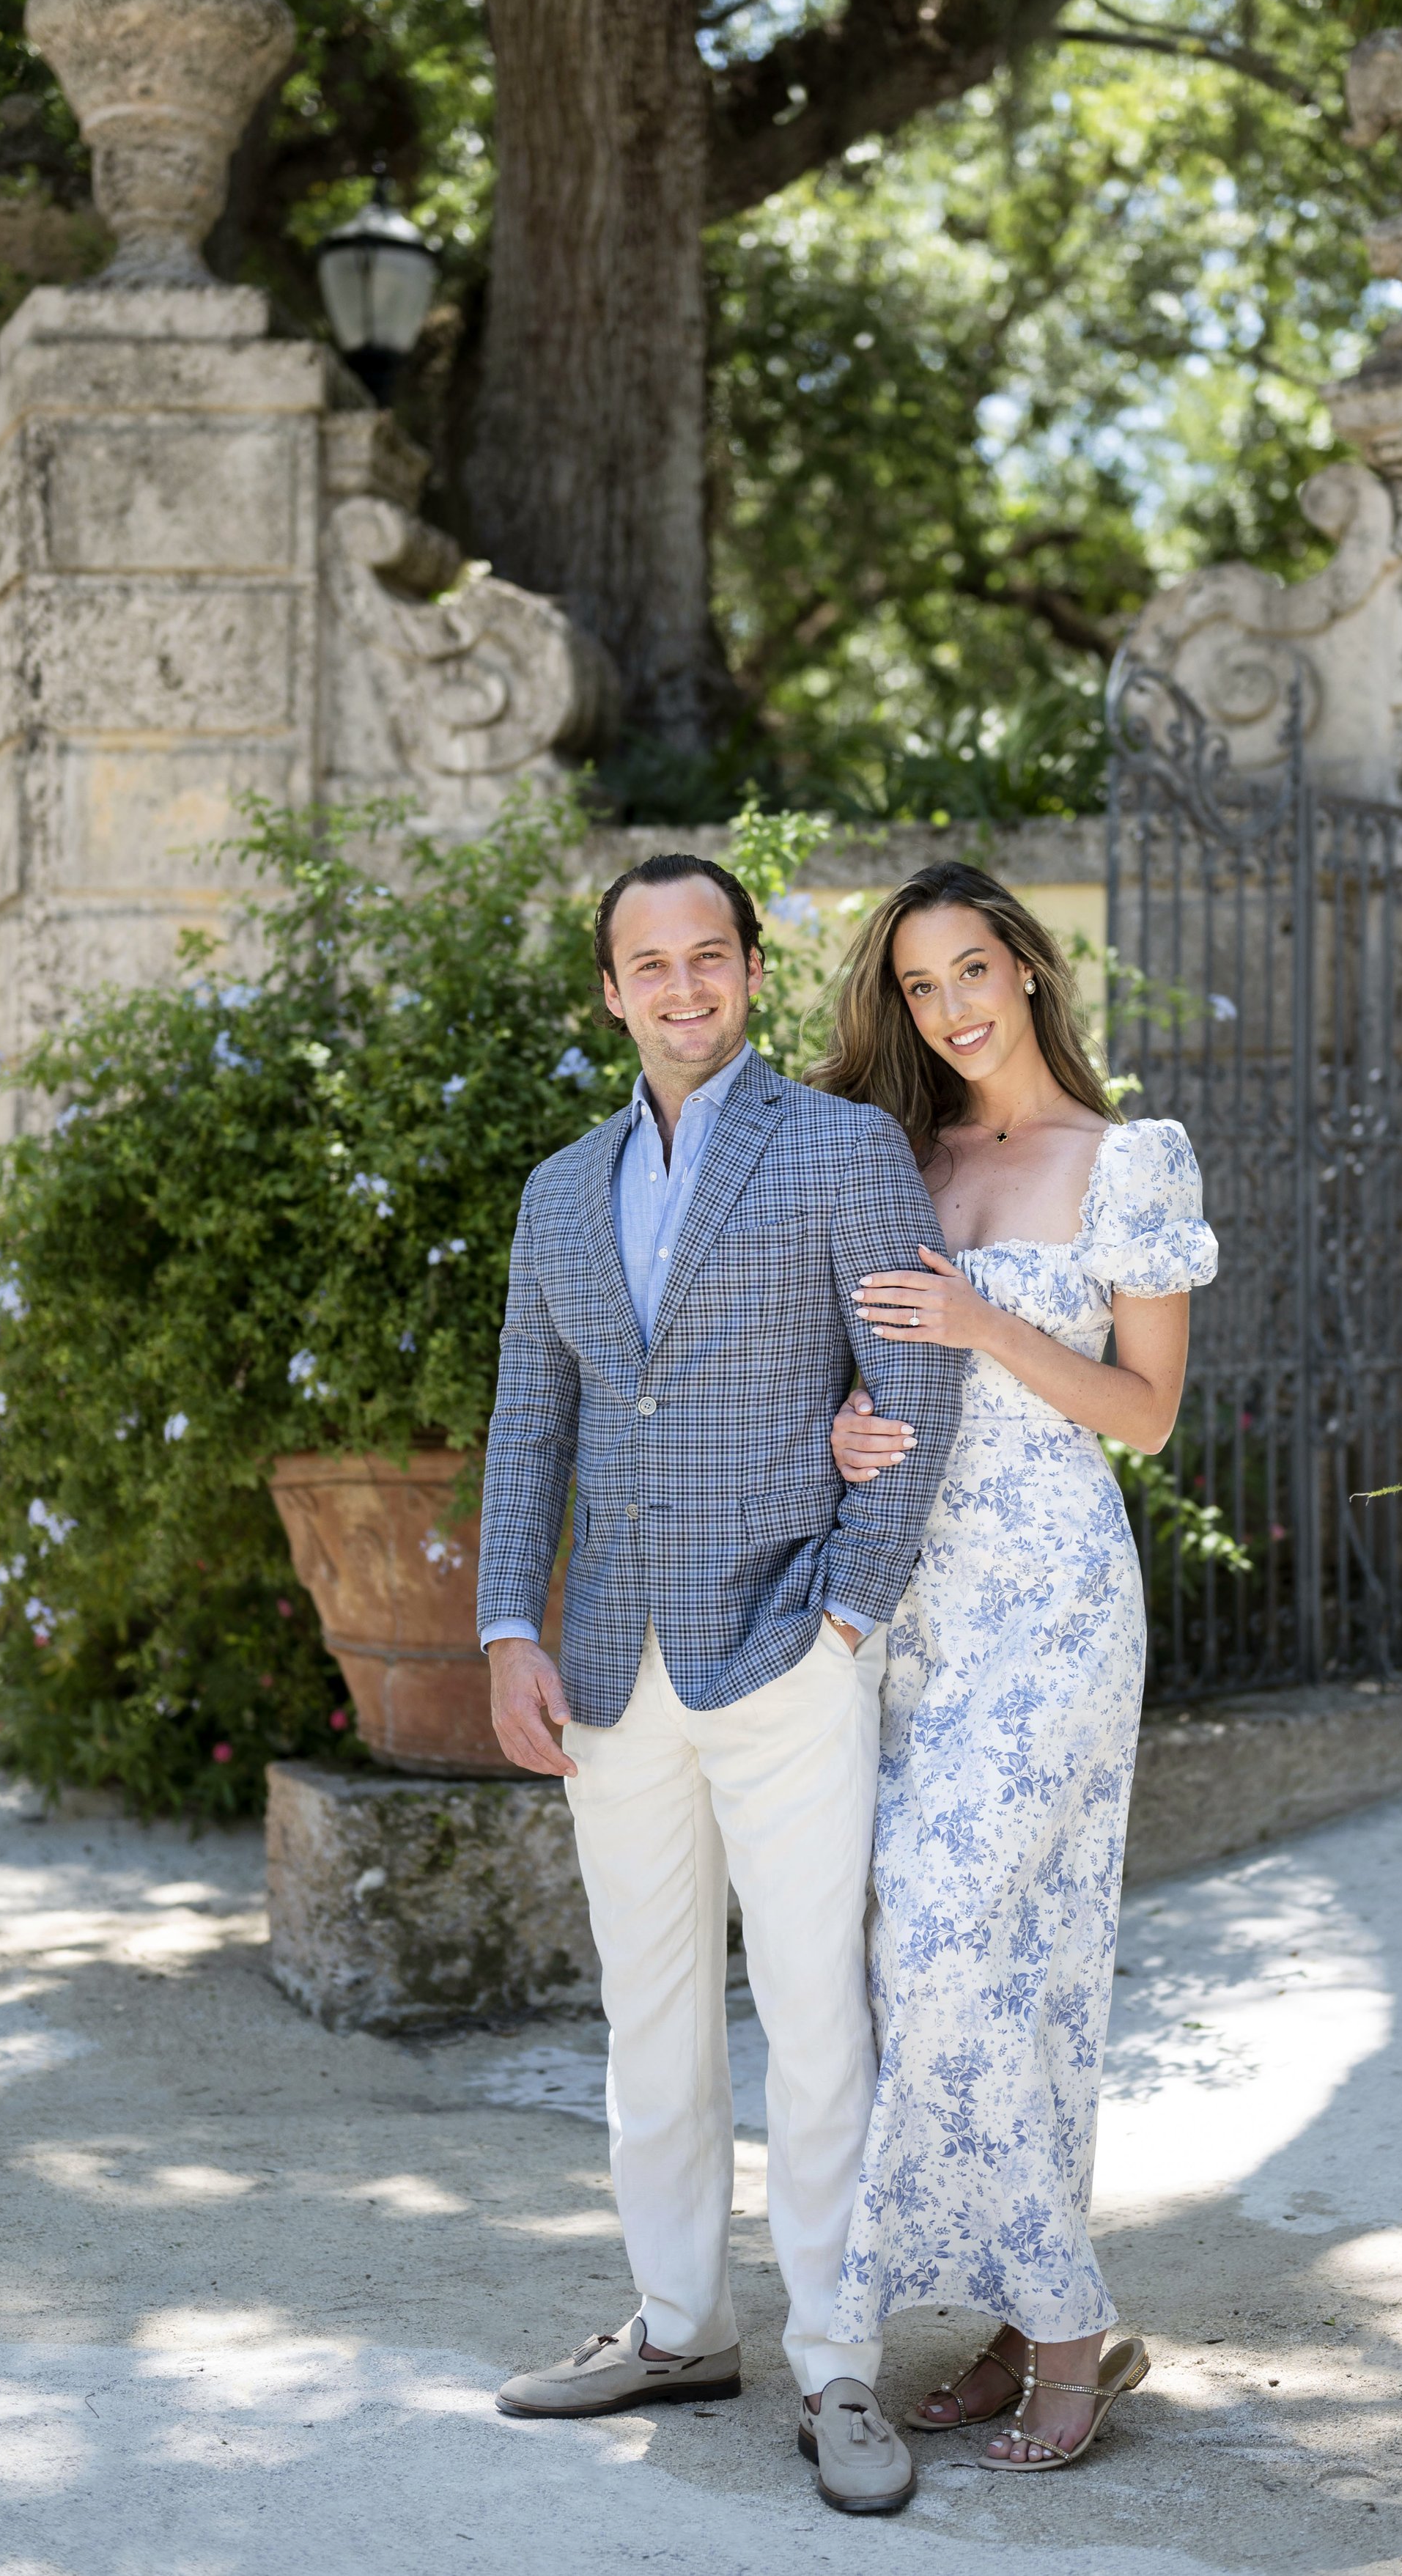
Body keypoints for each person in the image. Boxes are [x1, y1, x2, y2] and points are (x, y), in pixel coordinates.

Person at [477, 852, 964, 2517]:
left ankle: (835, 2359)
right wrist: (503, 1630)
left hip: (783, 1653)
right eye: (646, 964)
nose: (681, 987)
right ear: (607, 992)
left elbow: (911, 1389)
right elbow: (527, 1429)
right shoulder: (557, 1192)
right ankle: (681, 2322)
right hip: (610, 1671)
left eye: (709, 957)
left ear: (751, 972)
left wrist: (845, 1612)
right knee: (649, 2019)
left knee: (819, 2020)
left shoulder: (840, 1150)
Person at [810, 859, 1216, 2476]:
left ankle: (1063, 2330)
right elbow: (851, 1366)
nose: (949, 1006)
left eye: (970, 969)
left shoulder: (1125, 1160)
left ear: (1028, 971)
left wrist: (982, 1326)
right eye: (917, 985)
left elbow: (1143, 1411)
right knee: (996, 1965)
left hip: (1051, 1602)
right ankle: (1007, 2310)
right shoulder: (894, 1155)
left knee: (946, 1926)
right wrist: (841, 1428)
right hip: (911, 1605)